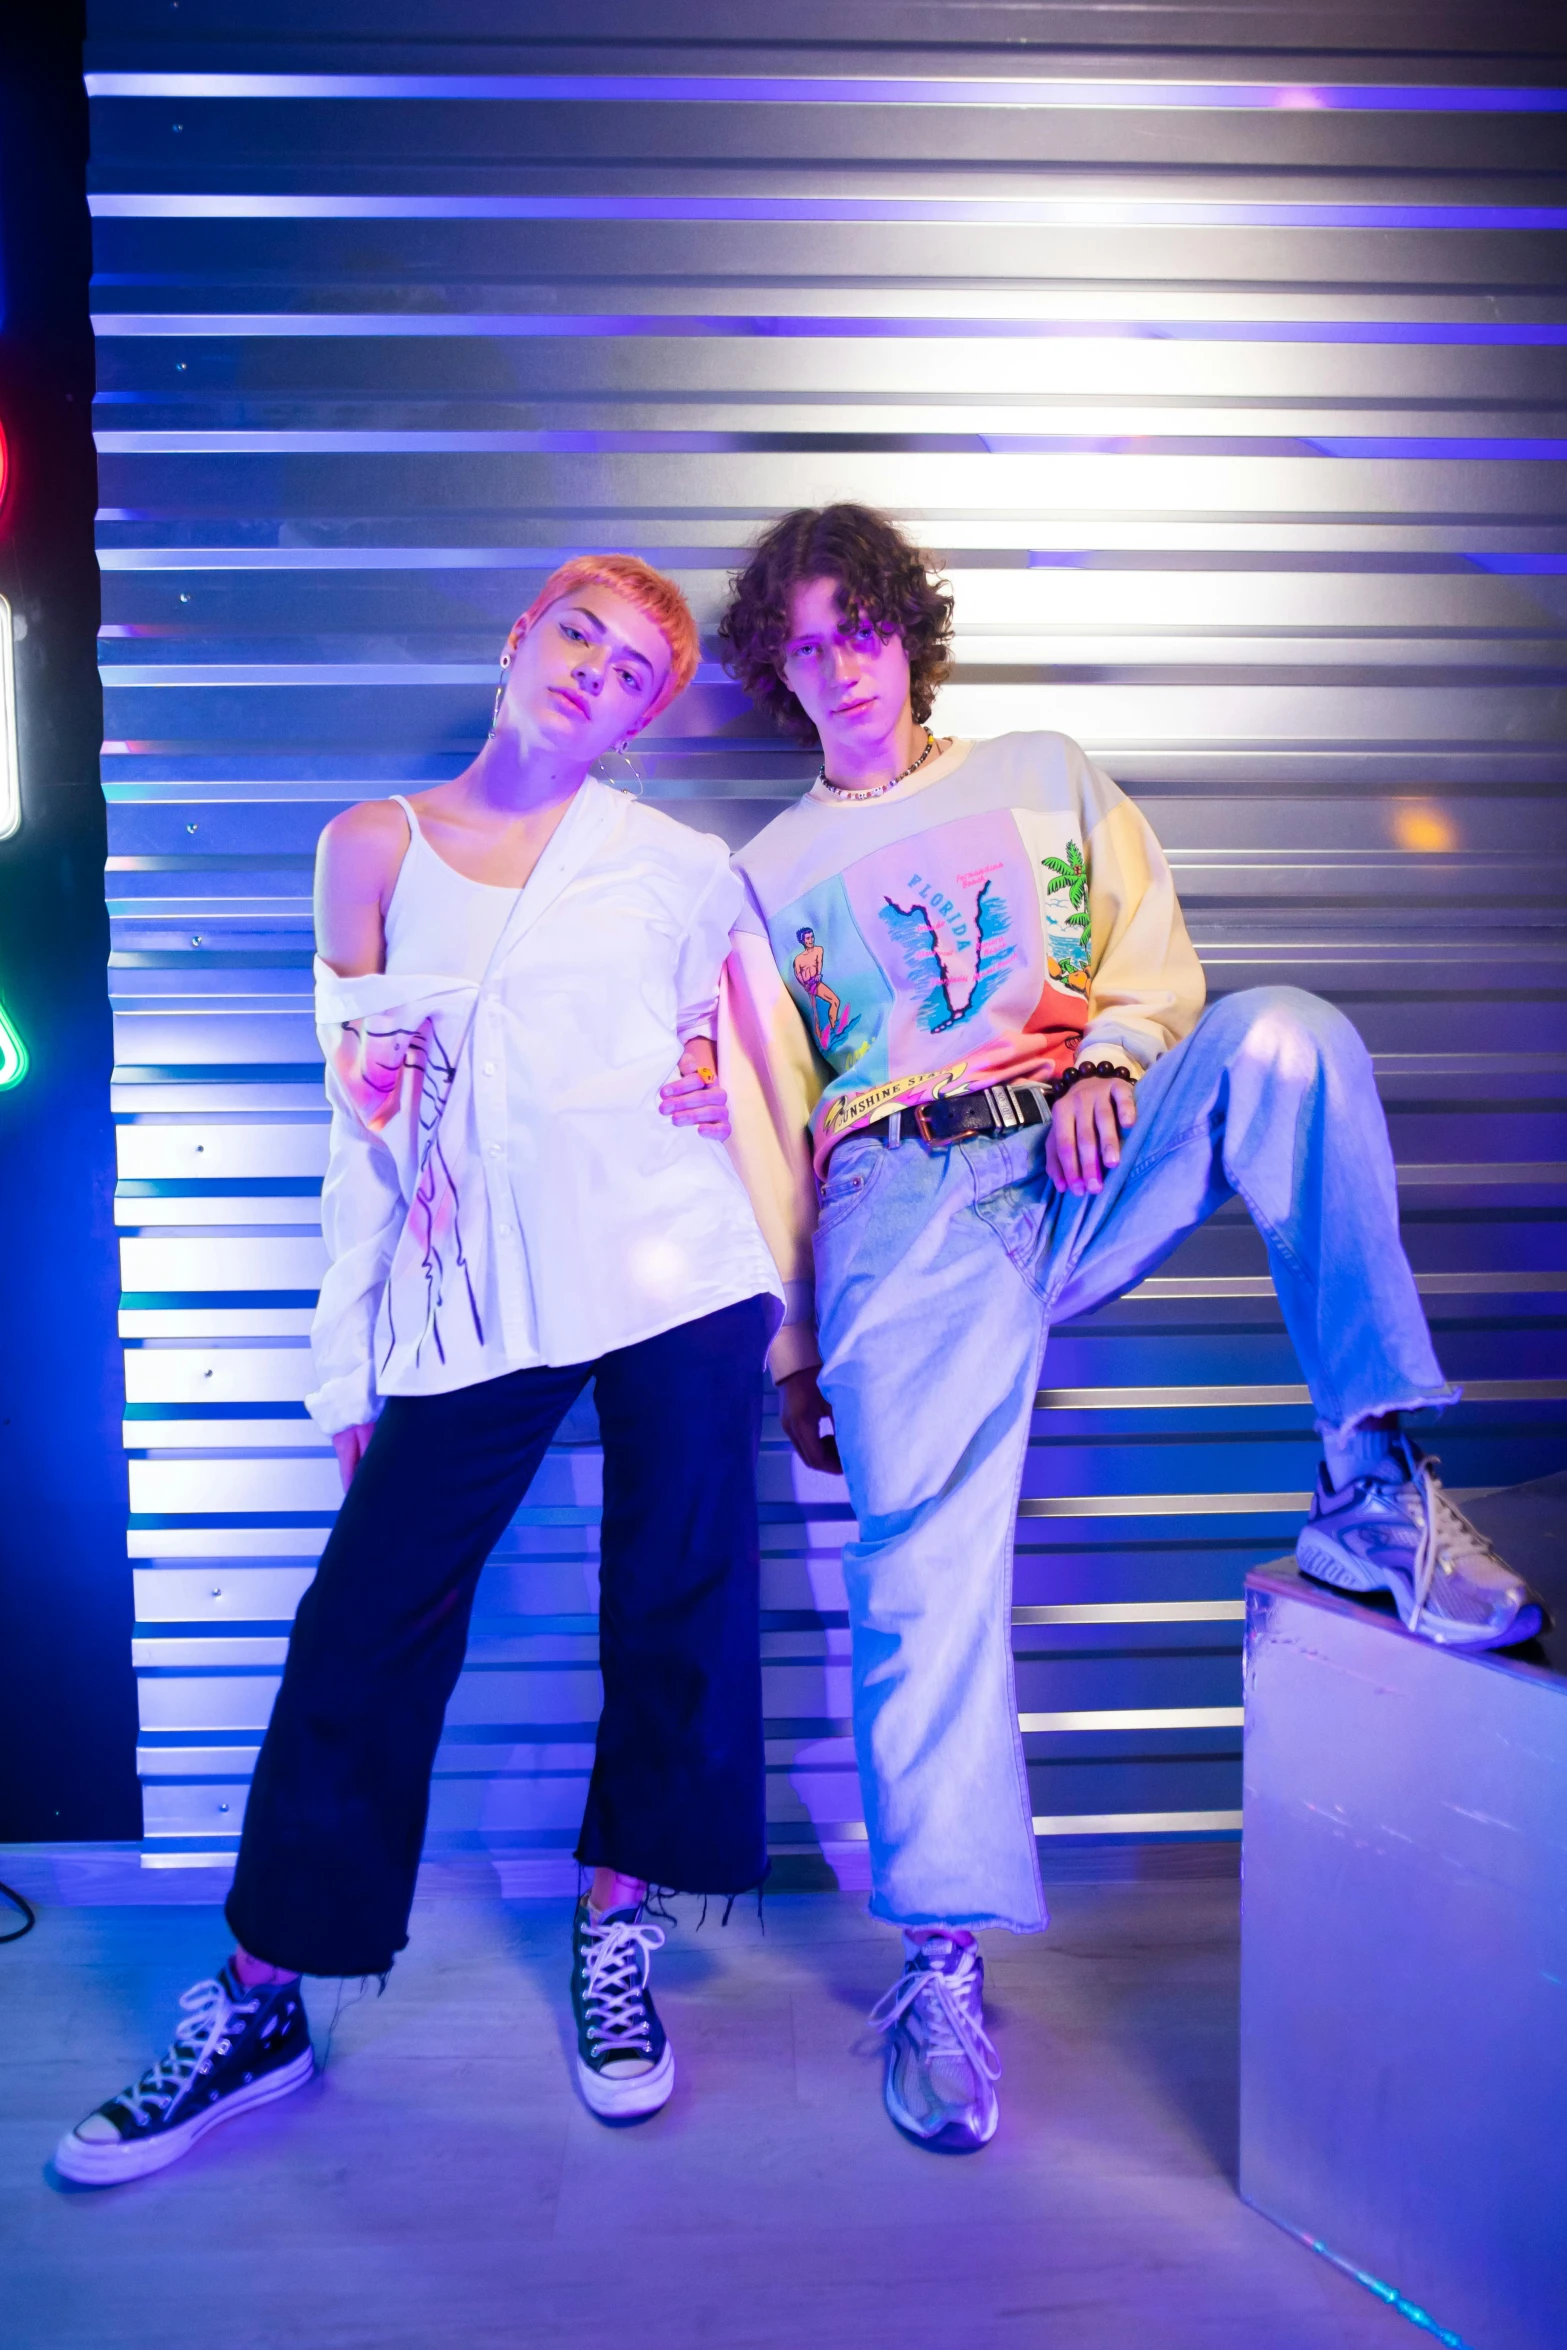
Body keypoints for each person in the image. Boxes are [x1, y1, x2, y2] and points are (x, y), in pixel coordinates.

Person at [715, 503, 1547, 2156]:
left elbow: (1154, 964)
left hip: (1083, 1137)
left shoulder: (1040, 767)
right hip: (897, 1205)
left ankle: (1370, 1475)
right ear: (776, 670)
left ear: (905, 632)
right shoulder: (760, 875)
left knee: (1288, 1040)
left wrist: (1107, 1059)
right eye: (803, 641)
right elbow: (761, 1115)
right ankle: (940, 1964)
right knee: (921, 1572)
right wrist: (790, 1344)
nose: (839, 665)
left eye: (860, 624)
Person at [55, 555, 784, 2185]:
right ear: (520, 638)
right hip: (472, 1294)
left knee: (677, 1597)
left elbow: (752, 1075)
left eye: (635, 672)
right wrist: (342, 1372)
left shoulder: (679, 866)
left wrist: (743, 1188)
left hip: (675, 1273)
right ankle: (261, 2005)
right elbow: (361, 1133)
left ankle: (617, 1924)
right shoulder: (369, 844)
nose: (596, 670)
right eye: (579, 635)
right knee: (361, 1631)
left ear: (642, 725)